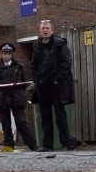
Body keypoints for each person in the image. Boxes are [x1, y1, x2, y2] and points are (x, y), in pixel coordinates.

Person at [30, 20, 75, 151]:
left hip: (56, 85)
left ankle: (66, 144)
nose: (45, 30)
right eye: (43, 28)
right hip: (42, 86)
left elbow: (66, 63)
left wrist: (57, 80)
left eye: (47, 28)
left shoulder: (60, 44)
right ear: (40, 30)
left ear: (52, 30)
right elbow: (33, 65)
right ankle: (47, 145)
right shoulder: (37, 46)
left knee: (60, 116)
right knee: (45, 116)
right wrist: (36, 79)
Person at [0, 42, 43, 152]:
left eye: (8, 53)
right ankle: (8, 145)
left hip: (16, 98)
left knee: (21, 122)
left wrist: (19, 94)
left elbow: (23, 84)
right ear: (1, 54)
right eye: (4, 53)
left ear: (11, 55)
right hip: (2, 98)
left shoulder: (19, 67)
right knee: (5, 123)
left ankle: (33, 146)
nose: (6, 55)